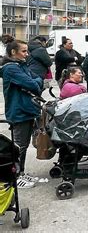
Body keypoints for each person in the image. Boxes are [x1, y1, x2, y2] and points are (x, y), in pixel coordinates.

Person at [0, 35, 43, 188]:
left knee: (23, 145)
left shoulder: (21, 65)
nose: (27, 54)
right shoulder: (11, 68)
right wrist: (35, 83)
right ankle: (15, 176)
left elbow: (38, 79)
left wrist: (35, 83)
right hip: (19, 111)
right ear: (13, 52)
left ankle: (22, 172)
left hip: (28, 109)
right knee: (20, 146)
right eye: (24, 51)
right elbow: (33, 84)